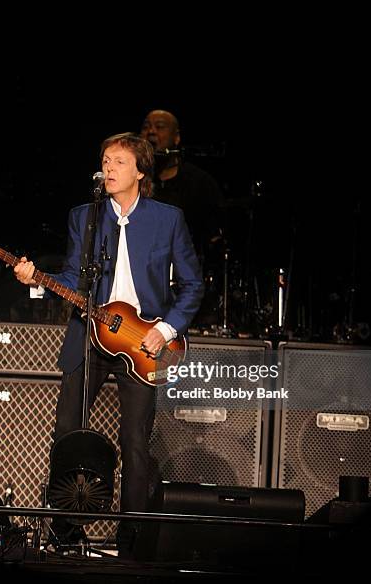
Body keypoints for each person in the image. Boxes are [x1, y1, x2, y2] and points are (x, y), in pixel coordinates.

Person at [14, 133, 203, 558]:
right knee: (67, 432)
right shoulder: (84, 216)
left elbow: (193, 285)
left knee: (134, 442)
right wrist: (34, 280)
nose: (110, 168)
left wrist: (167, 329)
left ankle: (132, 541)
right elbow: (69, 281)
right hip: (90, 335)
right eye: (105, 160)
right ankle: (65, 534)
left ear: (140, 171)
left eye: (119, 161)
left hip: (142, 343)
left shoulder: (167, 219)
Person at [139, 109, 225, 257]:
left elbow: (213, 235)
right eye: (146, 127)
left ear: (177, 137)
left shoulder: (200, 182)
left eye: (159, 127)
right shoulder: (134, 179)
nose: (151, 132)